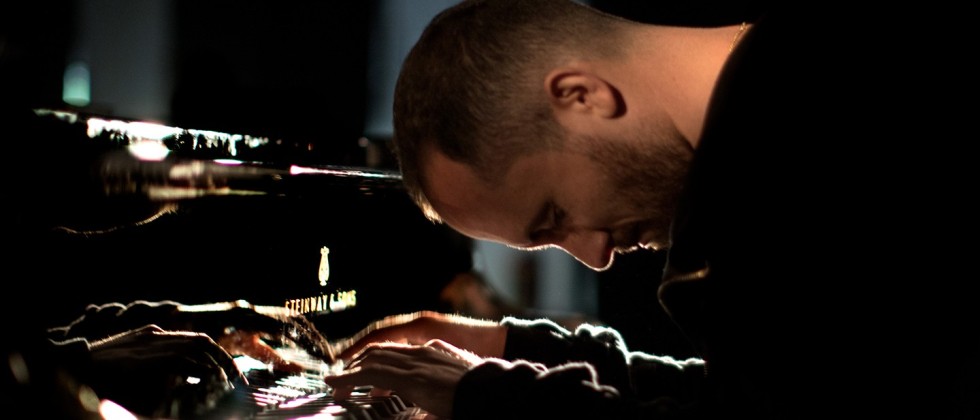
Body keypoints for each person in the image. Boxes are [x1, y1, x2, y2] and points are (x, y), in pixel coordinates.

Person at [323, 1, 979, 419]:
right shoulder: (788, 97)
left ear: (581, 95)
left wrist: (486, 399)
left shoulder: (815, 141)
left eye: (554, 215)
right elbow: (767, 394)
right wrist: (506, 348)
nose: (594, 253)